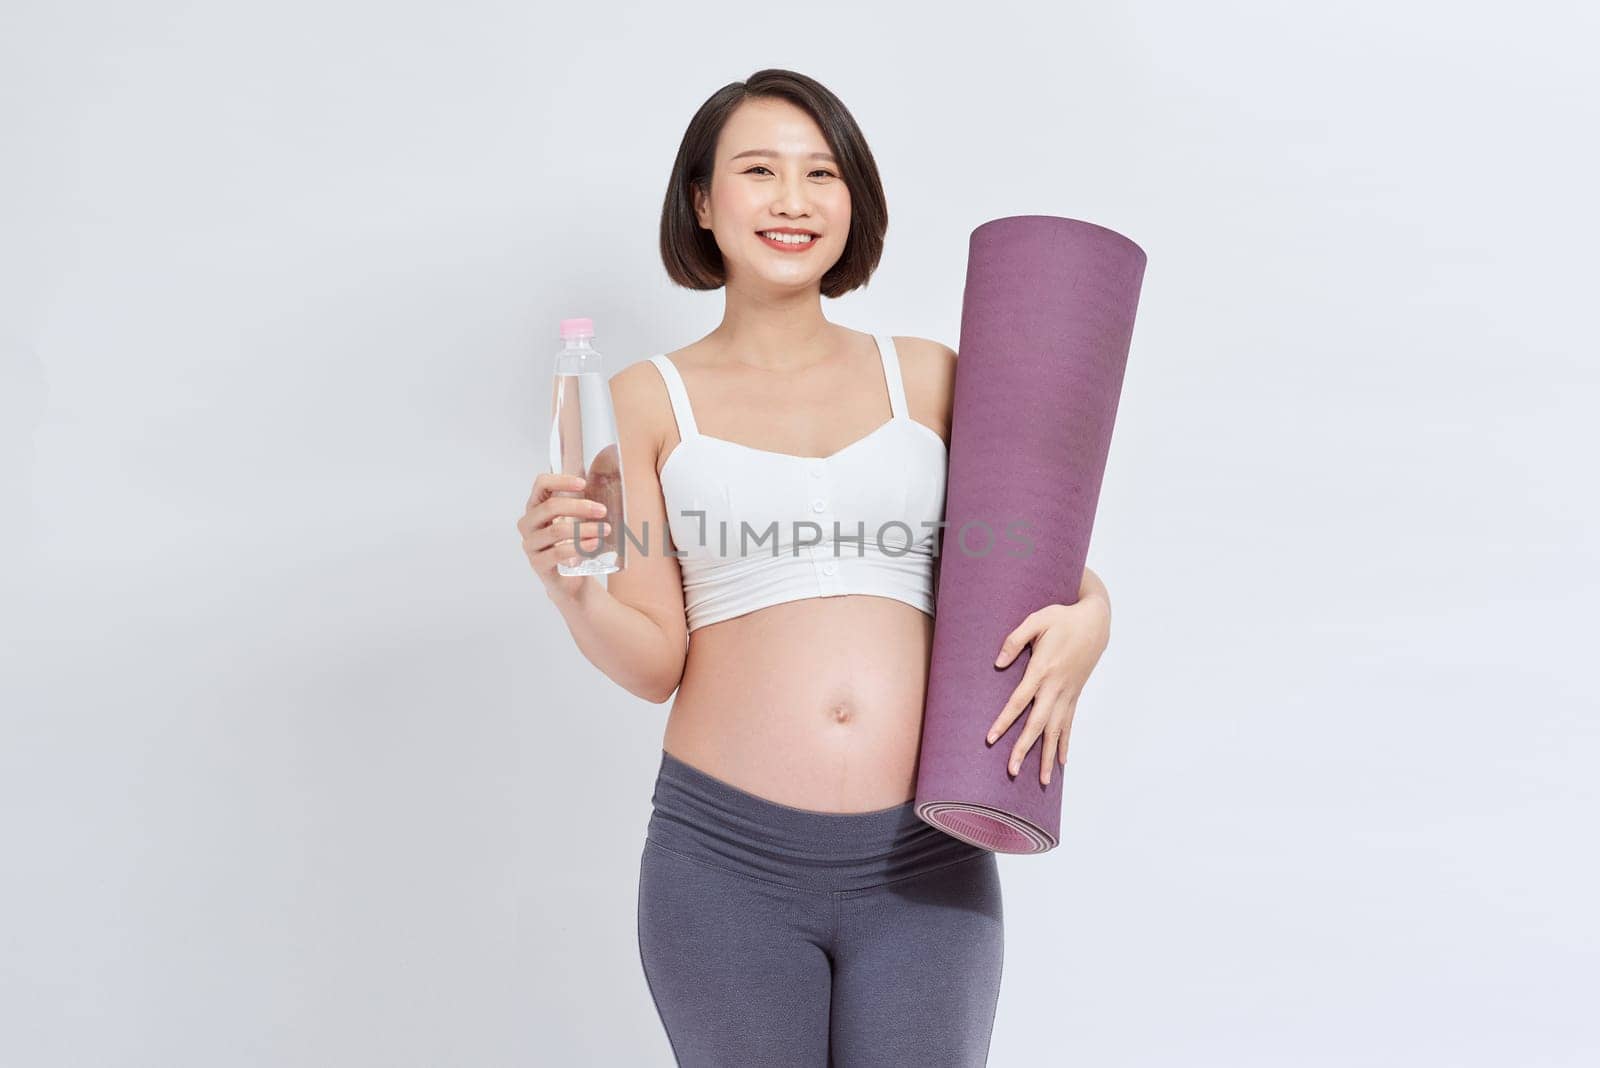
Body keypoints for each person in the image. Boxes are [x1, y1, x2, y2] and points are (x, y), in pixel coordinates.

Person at [518, 69, 1112, 1068]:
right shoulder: (644, 399)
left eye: (820, 173)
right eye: (759, 170)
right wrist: (572, 590)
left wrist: (1093, 619)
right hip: (724, 865)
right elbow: (657, 657)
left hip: (923, 861)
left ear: (853, 200)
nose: (792, 200)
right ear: (703, 201)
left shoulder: (927, 376)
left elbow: (1031, 553)